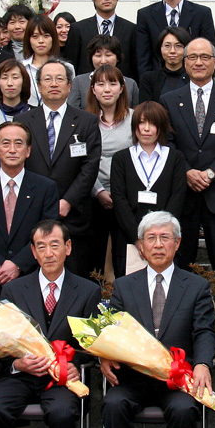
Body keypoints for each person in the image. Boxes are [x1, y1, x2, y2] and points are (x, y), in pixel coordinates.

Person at [0, 220, 100, 428]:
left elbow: (93, 344)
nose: (48, 254)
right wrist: (15, 363)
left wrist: (77, 365)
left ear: (68, 248)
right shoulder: (14, 291)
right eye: (41, 247)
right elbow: (0, 340)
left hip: (61, 378)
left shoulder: (87, 291)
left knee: (62, 413)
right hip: (21, 373)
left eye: (55, 245)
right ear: (33, 252)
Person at [102, 211, 215, 428]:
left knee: (184, 410)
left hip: (176, 380)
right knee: (113, 404)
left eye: (165, 237)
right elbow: (110, 330)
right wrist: (103, 355)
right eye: (150, 238)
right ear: (140, 246)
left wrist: (203, 363)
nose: (157, 244)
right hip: (133, 378)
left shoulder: (196, 286)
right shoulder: (125, 286)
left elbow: (204, 330)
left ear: (177, 243)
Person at [21, 59, 103, 279]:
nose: (53, 83)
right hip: (32, 212)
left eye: (60, 79)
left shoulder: (87, 121)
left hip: (75, 216)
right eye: (47, 79)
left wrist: (67, 201)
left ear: (69, 86)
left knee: (75, 281)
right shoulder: (23, 122)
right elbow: (19, 163)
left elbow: (90, 166)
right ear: (38, 86)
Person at [0, 121, 60, 298]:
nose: (12, 149)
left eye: (19, 143)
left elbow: (47, 234)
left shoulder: (45, 188)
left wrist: (18, 265)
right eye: (6, 143)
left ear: (28, 151)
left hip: (30, 281)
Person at [160, 38, 215, 272]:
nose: (199, 62)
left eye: (205, 57)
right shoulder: (169, 100)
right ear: (185, 62)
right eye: (193, 57)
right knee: (180, 264)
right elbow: (166, 142)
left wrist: (211, 173)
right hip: (182, 194)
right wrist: (186, 171)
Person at [109, 101, 188, 277]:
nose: (146, 129)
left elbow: (177, 197)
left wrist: (160, 236)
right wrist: (139, 239)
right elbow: (119, 199)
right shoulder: (121, 158)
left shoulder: (175, 158)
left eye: (152, 123)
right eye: (141, 123)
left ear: (161, 127)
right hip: (129, 240)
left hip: (165, 241)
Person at [86, 65, 135, 278]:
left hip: (126, 196)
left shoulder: (135, 119)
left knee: (123, 256)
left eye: (113, 83)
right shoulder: (83, 121)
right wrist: (98, 192)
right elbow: (82, 162)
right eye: (101, 84)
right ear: (93, 89)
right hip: (92, 195)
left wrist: (119, 193)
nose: (107, 89)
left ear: (122, 88)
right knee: (92, 256)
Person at [135, 0, 215, 76]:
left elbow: (210, 54)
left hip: (192, 83)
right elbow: (143, 59)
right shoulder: (145, 15)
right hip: (158, 86)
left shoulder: (202, 13)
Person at [68, 0, 138, 80]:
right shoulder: (78, 29)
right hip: (86, 90)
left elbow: (134, 67)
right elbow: (72, 66)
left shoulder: (132, 30)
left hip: (121, 89)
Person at [68, 35, 141, 109]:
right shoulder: (79, 81)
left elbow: (136, 114)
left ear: (118, 58)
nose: (103, 61)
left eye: (108, 55)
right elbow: (72, 112)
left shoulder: (130, 84)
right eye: (98, 55)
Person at [0, 59, 33, 139]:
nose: (10, 83)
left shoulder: (38, 115)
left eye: (15, 77)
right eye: (4, 78)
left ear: (24, 81)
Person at [137, 26, 191, 103]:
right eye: (167, 46)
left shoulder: (193, 78)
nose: (172, 51)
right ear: (160, 48)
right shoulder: (148, 79)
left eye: (178, 46)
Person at [20, 15, 60, 106]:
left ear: (53, 38)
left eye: (46, 36)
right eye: (35, 36)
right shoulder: (21, 68)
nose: (41, 41)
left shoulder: (65, 67)